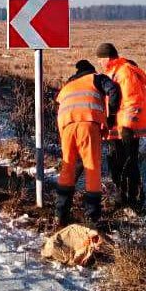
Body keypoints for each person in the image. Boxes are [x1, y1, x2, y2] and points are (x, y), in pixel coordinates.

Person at [55, 59, 119, 230]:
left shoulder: (68, 85)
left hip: (67, 127)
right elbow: (113, 90)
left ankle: (60, 215)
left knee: (67, 169)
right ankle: (92, 217)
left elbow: (59, 104)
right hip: (88, 125)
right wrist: (111, 118)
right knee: (92, 168)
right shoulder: (96, 78)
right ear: (91, 70)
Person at [96, 43, 146, 209]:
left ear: (107, 58)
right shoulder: (115, 71)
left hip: (126, 128)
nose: (99, 63)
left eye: (100, 59)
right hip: (118, 127)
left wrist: (127, 126)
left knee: (128, 163)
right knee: (117, 162)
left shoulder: (124, 71)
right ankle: (124, 197)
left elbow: (133, 99)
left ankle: (134, 200)